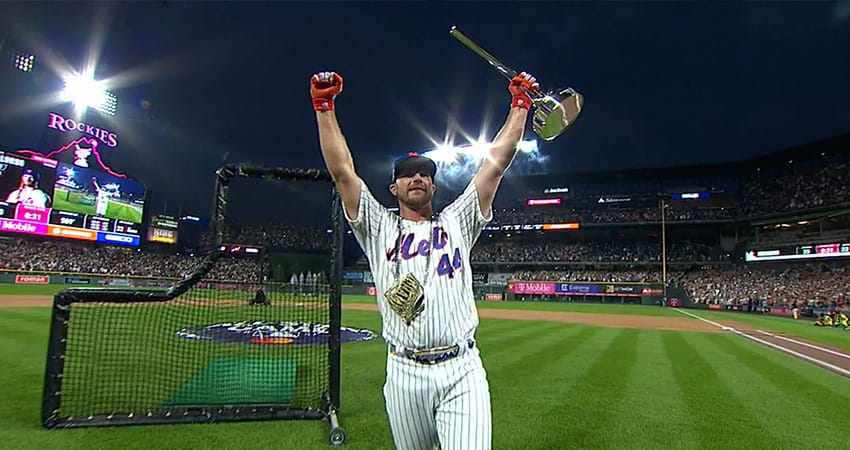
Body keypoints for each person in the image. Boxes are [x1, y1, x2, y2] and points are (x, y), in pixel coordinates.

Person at [311, 69, 539, 450]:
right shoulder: (377, 225)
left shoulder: (458, 221)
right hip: (404, 371)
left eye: (424, 174)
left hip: (461, 369)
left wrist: (519, 106)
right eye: (406, 174)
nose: (416, 178)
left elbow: (495, 164)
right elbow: (342, 172)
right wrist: (324, 107)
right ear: (393, 187)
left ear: (433, 185)